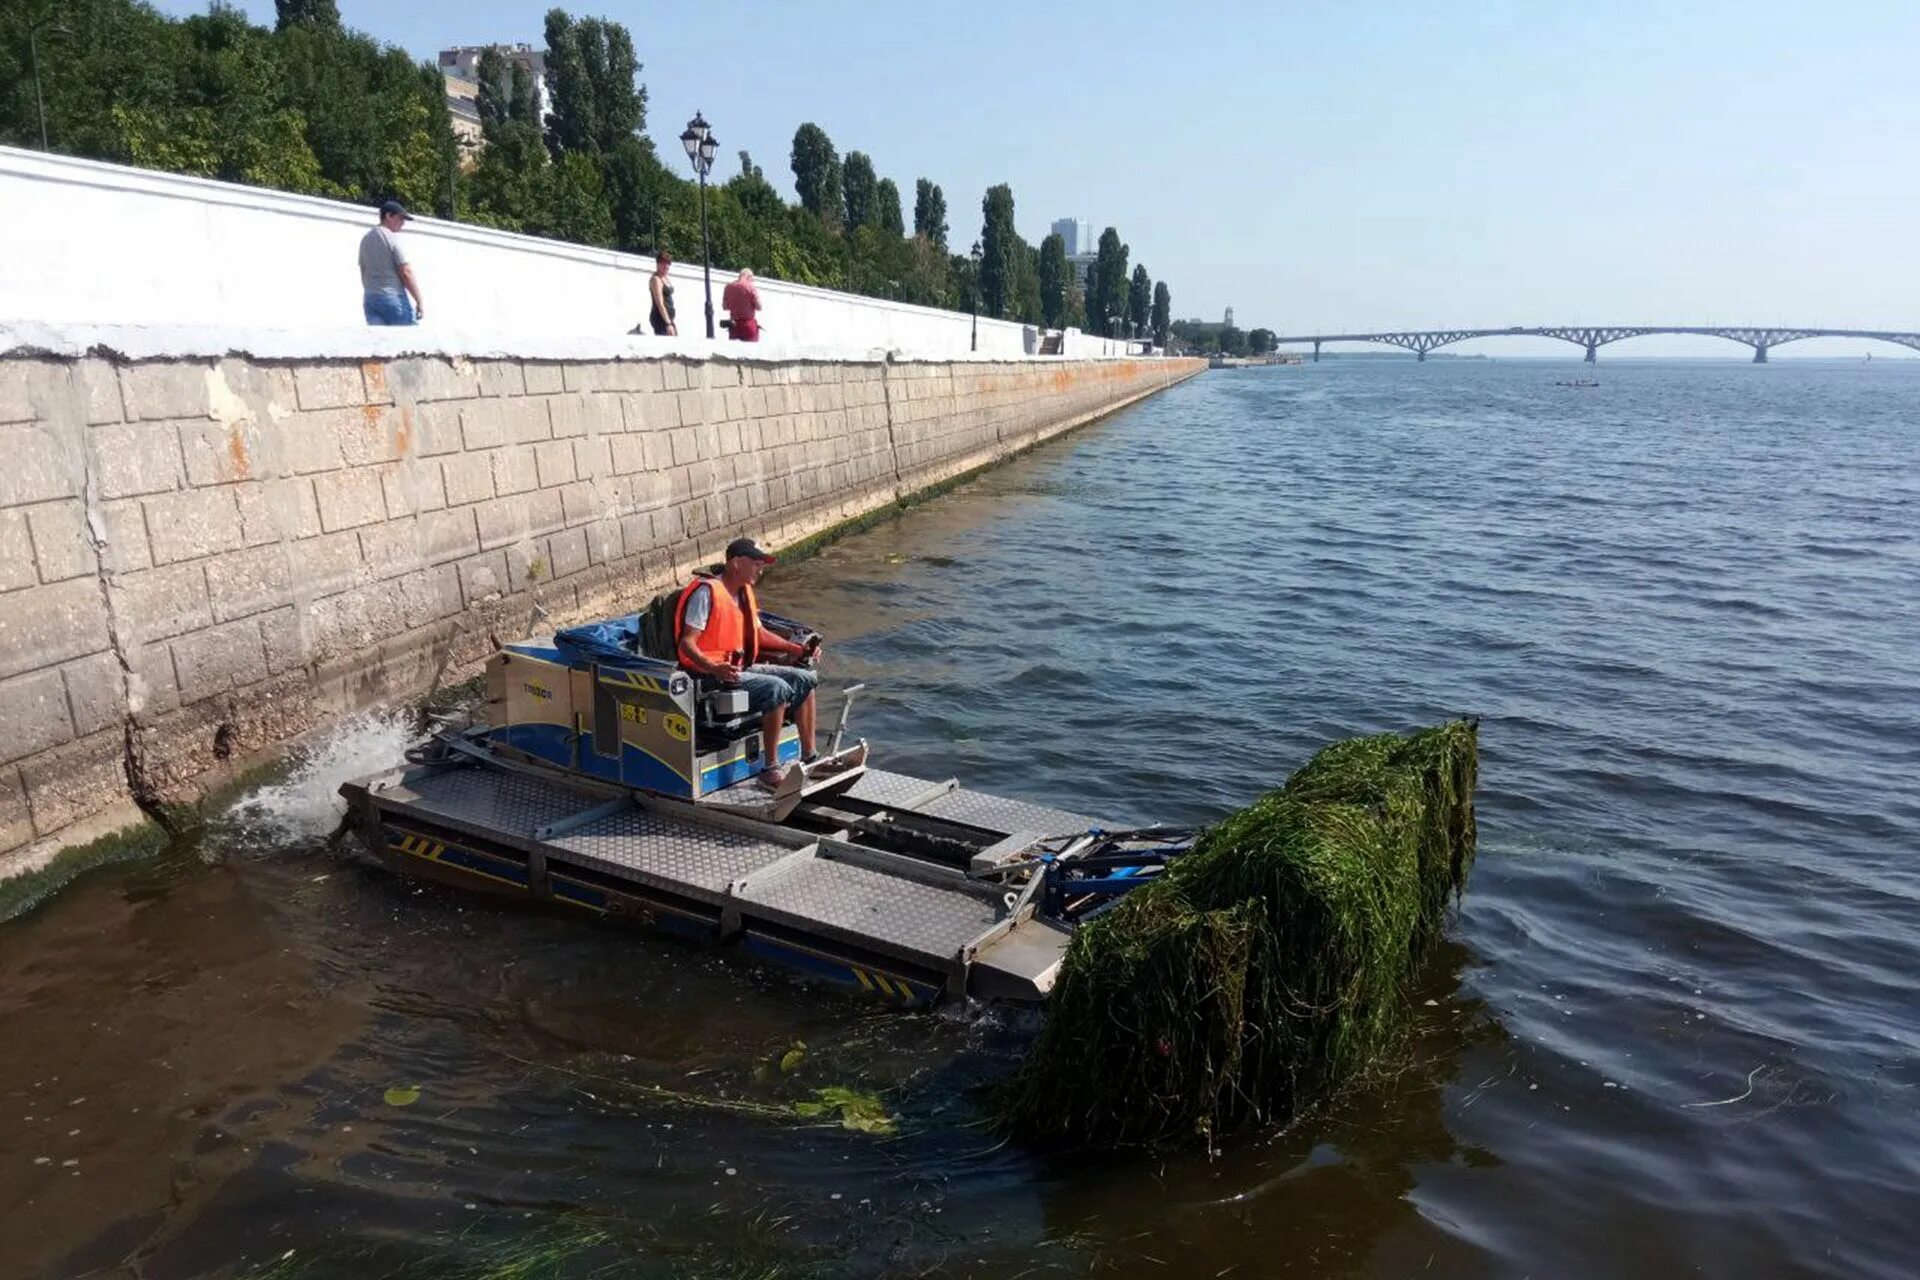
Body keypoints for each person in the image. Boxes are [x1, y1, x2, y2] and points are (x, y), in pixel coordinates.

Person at [673, 537, 819, 789]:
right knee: (776, 688)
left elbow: (759, 634)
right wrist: (712, 667)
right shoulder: (706, 593)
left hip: (740, 668)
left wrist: (796, 649)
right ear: (736, 563)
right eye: (756, 564)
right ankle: (770, 769)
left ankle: (810, 757)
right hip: (711, 676)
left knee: (805, 679)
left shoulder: (743, 594)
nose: (760, 570)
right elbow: (687, 643)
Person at [359, 200, 424, 326]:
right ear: (388, 216)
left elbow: (363, 270)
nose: (403, 223)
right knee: (407, 340)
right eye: (400, 218)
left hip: (370, 299)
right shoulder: (391, 237)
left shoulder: (365, 240)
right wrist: (419, 300)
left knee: (380, 342)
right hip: (393, 298)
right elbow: (405, 272)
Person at [721, 268, 761, 342]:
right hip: (748, 324)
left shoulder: (728, 287)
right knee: (750, 351)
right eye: (752, 280)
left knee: (734, 351)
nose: (752, 282)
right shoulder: (750, 288)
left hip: (734, 325)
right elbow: (759, 307)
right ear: (749, 277)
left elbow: (725, 306)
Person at [647, 254, 677, 336]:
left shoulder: (665, 277)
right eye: (663, 263)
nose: (666, 266)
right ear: (658, 264)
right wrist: (668, 324)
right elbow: (660, 304)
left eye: (668, 264)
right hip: (661, 318)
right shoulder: (656, 279)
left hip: (668, 318)